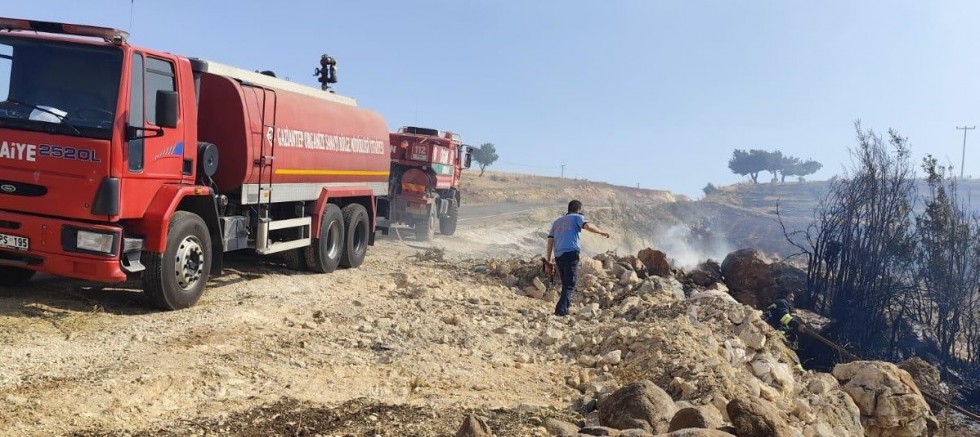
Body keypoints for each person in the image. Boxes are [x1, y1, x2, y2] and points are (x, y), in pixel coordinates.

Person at [545, 200, 610, 316]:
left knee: (566, 283)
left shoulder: (557, 222)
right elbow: (588, 226)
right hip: (571, 254)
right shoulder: (578, 217)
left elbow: (550, 240)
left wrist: (548, 259)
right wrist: (602, 232)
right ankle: (560, 310)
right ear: (579, 209)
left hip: (558, 256)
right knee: (570, 283)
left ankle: (565, 308)